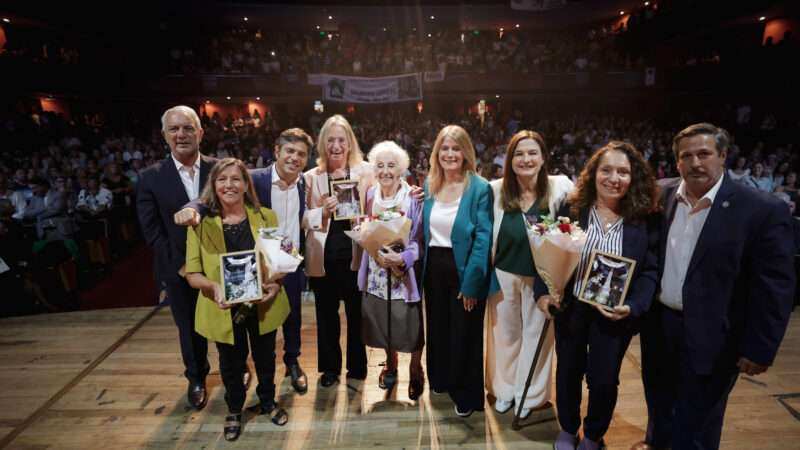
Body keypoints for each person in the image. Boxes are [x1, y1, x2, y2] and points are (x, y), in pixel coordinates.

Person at [633, 123, 795, 450]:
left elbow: (775, 286)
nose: (695, 163)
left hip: (717, 336)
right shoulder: (658, 195)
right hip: (660, 328)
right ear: (677, 162)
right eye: (686, 156)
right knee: (660, 406)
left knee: (699, 423)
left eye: (704, 154)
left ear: (722, 156)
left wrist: (760, 347)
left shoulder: (761, 208)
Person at [536, 141, 660, 450]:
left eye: (623, 171)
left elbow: (650, 271)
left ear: (634, 177)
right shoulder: (572, 207)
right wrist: (543, 293)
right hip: (572, 308)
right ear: (593, 174)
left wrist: (633, 306)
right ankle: (567, 429)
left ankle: (593, 435)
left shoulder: (646, 218)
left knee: (604, 380)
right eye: (606, 170)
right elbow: (546, 250)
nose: (613, 178)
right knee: (567, 373)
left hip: (614, 313)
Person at [175, 128, 313, 394]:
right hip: (255, 268)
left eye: (301, 154)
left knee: (291, 318)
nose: (294, 158)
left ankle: (292, 363)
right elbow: (219, 187)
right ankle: (241, 380)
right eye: (290, 151)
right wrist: (192, 208)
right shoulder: (254, 178)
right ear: (276, 152)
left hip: (287, 262)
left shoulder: (304, 182)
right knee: (245, 336)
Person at [185, 158, 290, 441]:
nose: (229, 185)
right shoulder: (200, 224)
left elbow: (277, 262)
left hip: (262, 304)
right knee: (230, 362)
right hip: (223, 305)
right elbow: (192, 272)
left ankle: (267, 400)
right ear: (214, 185)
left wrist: (276, 284)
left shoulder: (267, 216)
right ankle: (234, 409)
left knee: (266, 357)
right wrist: (213, 287)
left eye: (235, 179)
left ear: (246, 185)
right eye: (222, 179)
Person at [485, 130, 574, 420]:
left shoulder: (560, 187)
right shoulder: (496, 189)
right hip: (504, 273)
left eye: (532, 153)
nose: (526, 159)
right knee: (506, 335)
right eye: (519, 154)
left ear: (543, 157)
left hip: (543, 279)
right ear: (509, 160)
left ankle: (529, 394)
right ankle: (505, 390)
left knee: (538, 336)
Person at [136, 106, 219, 410]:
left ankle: (234, 369)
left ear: (200, 133)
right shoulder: (149, 178)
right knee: (189, 326)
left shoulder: (219, 169)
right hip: (177, 267)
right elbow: (152, 232)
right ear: (164, 136)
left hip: (219, 266)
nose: (181, 135)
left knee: (228, 322)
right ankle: (197, 378)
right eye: (174, 129)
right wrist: (183, 267)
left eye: (187, 128)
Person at [421, 125, 492, 417]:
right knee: (437, 329)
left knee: (465, 332)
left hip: (464, 268)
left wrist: (472, 284)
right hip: (433, 267)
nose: (450, 154)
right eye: (445, 148)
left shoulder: (479, 187)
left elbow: (483, 239)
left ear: (466, 153)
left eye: (456, 148)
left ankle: (466, 393)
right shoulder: (429, 184)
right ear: (437, 153)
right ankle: (441, 380)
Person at [303, 114, 373, 386]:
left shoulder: (365, 173)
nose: (335, 145)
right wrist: (322, 210)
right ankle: (330, 369)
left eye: (341, 140)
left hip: (355, 256)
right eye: (330, 139)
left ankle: (357, 367)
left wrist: (361, 218)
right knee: (326, 317)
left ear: (349, 143)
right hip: (324, 259)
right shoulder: (311, 177)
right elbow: (303, 219)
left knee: (357, 316)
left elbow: (375, 210)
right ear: (322, 143)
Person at [356, 141, 425, 400]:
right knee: (384, 320)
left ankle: (416, 369)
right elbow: (365, 228)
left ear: (402, 170)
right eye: (380, 165)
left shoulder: (413, 197)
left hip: (403, 272)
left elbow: (418, 240)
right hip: (377, 270)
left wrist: (402, 258)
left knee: (410, 324)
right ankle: (391, 364)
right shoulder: (371, 194)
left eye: (391, 165)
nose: (385, 171)